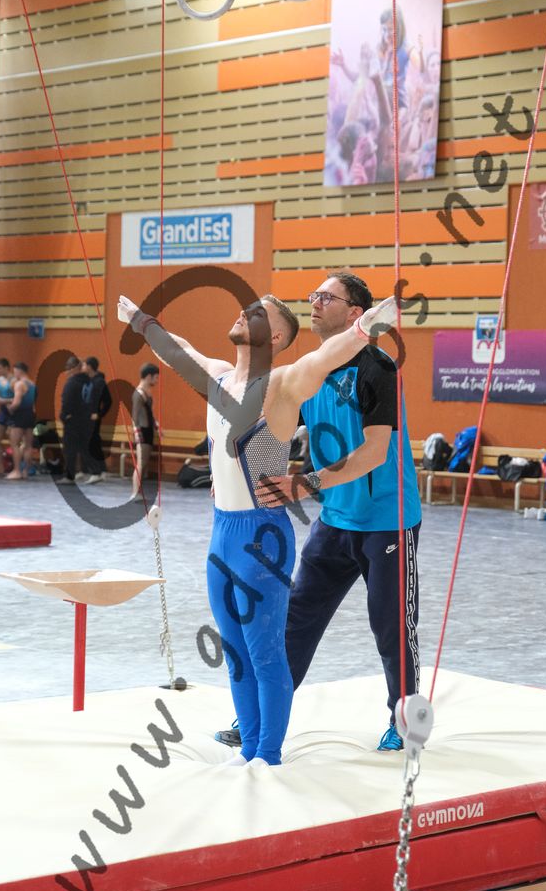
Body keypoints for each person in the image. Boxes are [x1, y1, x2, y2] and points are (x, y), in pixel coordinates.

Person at [118, 289, 397, 768]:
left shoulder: (282, 385)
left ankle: (268, 756)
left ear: (277, 336)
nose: (243, 314)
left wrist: (365, 326)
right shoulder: (218, 378)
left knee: (265, 653)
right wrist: (141, 321)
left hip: (261, 537)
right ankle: (249, 748)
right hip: (221, 533)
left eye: (256, 315)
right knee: (235, 654)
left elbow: (326, 356)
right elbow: (178, 350)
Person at [244, 272, 422, 753]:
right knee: (296, 619)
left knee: (392, 627)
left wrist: (302, 484)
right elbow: (276, 427)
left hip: (387, 520)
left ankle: (406, 723)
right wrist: (236, 468)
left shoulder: (378, 369)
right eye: (314, 296)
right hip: (334, 520)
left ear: (355, 314)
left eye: (327, 296)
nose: (316, 302)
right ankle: (262, 716)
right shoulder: (312, 372)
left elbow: (374, 453)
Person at [59, 355, 92, 484]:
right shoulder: (88, 382)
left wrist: (64, 416)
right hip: (86, 420)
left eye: (68, 368)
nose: (66, 371)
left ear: (73, 368)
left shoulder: (72, 383)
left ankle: (69, 476)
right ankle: (84, 471)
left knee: (70, 449)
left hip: (72, 420)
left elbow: (67, 402)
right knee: (84, 447)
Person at [129, 363, 159, 501]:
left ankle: (139, 491)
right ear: (148, 376)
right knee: (140, 463)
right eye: (155, 377)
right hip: (141, 431)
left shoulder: (147, 392)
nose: (157, 381)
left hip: (148, 430)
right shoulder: (138, 394)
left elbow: (149, 413)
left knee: (144, 463)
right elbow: (135, 416)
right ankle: (135, 492)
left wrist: (156, 426)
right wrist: (137, 433)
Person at [82, 356, 112, 483]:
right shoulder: (88, 381)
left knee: (88, 444)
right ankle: (102, 470)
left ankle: (95, 471)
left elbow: (108, 401)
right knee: (95, 443)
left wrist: (99, 414)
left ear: (89, 366)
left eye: (84, 365)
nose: (83, 367)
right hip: (85, 418)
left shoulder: (99, 382)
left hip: (92, 418)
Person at [6, 362, 37, 480]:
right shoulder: (33, 384)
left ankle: (17, 470)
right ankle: (25, 471)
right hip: (30, 415)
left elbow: (17, 402)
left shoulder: (19, 384)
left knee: (15, 444)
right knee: (28, 445)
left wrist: (10, 408)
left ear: (19, 371)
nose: (14, 374)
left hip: (20, 416)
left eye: (15, 371)